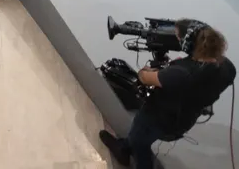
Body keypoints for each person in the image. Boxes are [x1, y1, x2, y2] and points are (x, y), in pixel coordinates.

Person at [100, 21, 236, 169]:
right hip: (185, 118)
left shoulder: (181, 73)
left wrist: (146, 71)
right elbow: (195, 82)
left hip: (160, 118)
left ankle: (130, 158)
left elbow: (145, 78)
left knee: (139, 142)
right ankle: (124, 147)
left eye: (178, 38)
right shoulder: (228, 67)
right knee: (138, 136)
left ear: (188, 45)